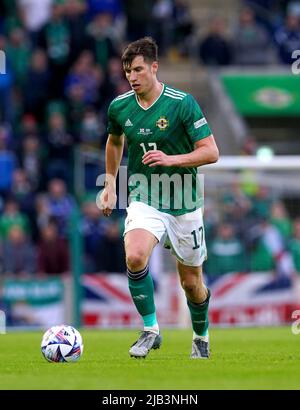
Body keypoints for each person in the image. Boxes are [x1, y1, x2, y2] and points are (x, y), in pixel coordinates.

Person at [99, 37, 219, 359]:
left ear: (154, 67)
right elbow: (114, 142)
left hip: (183, 199)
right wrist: (110, 183)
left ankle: (200, 334)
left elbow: (211, 152)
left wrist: (171, 159)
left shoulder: (182, 103)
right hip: (144, 193)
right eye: (128, 72)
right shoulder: (120, 107)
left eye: (138, 70)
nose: (133, 77)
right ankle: (150, 329)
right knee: (136, 256)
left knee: (191, 284)